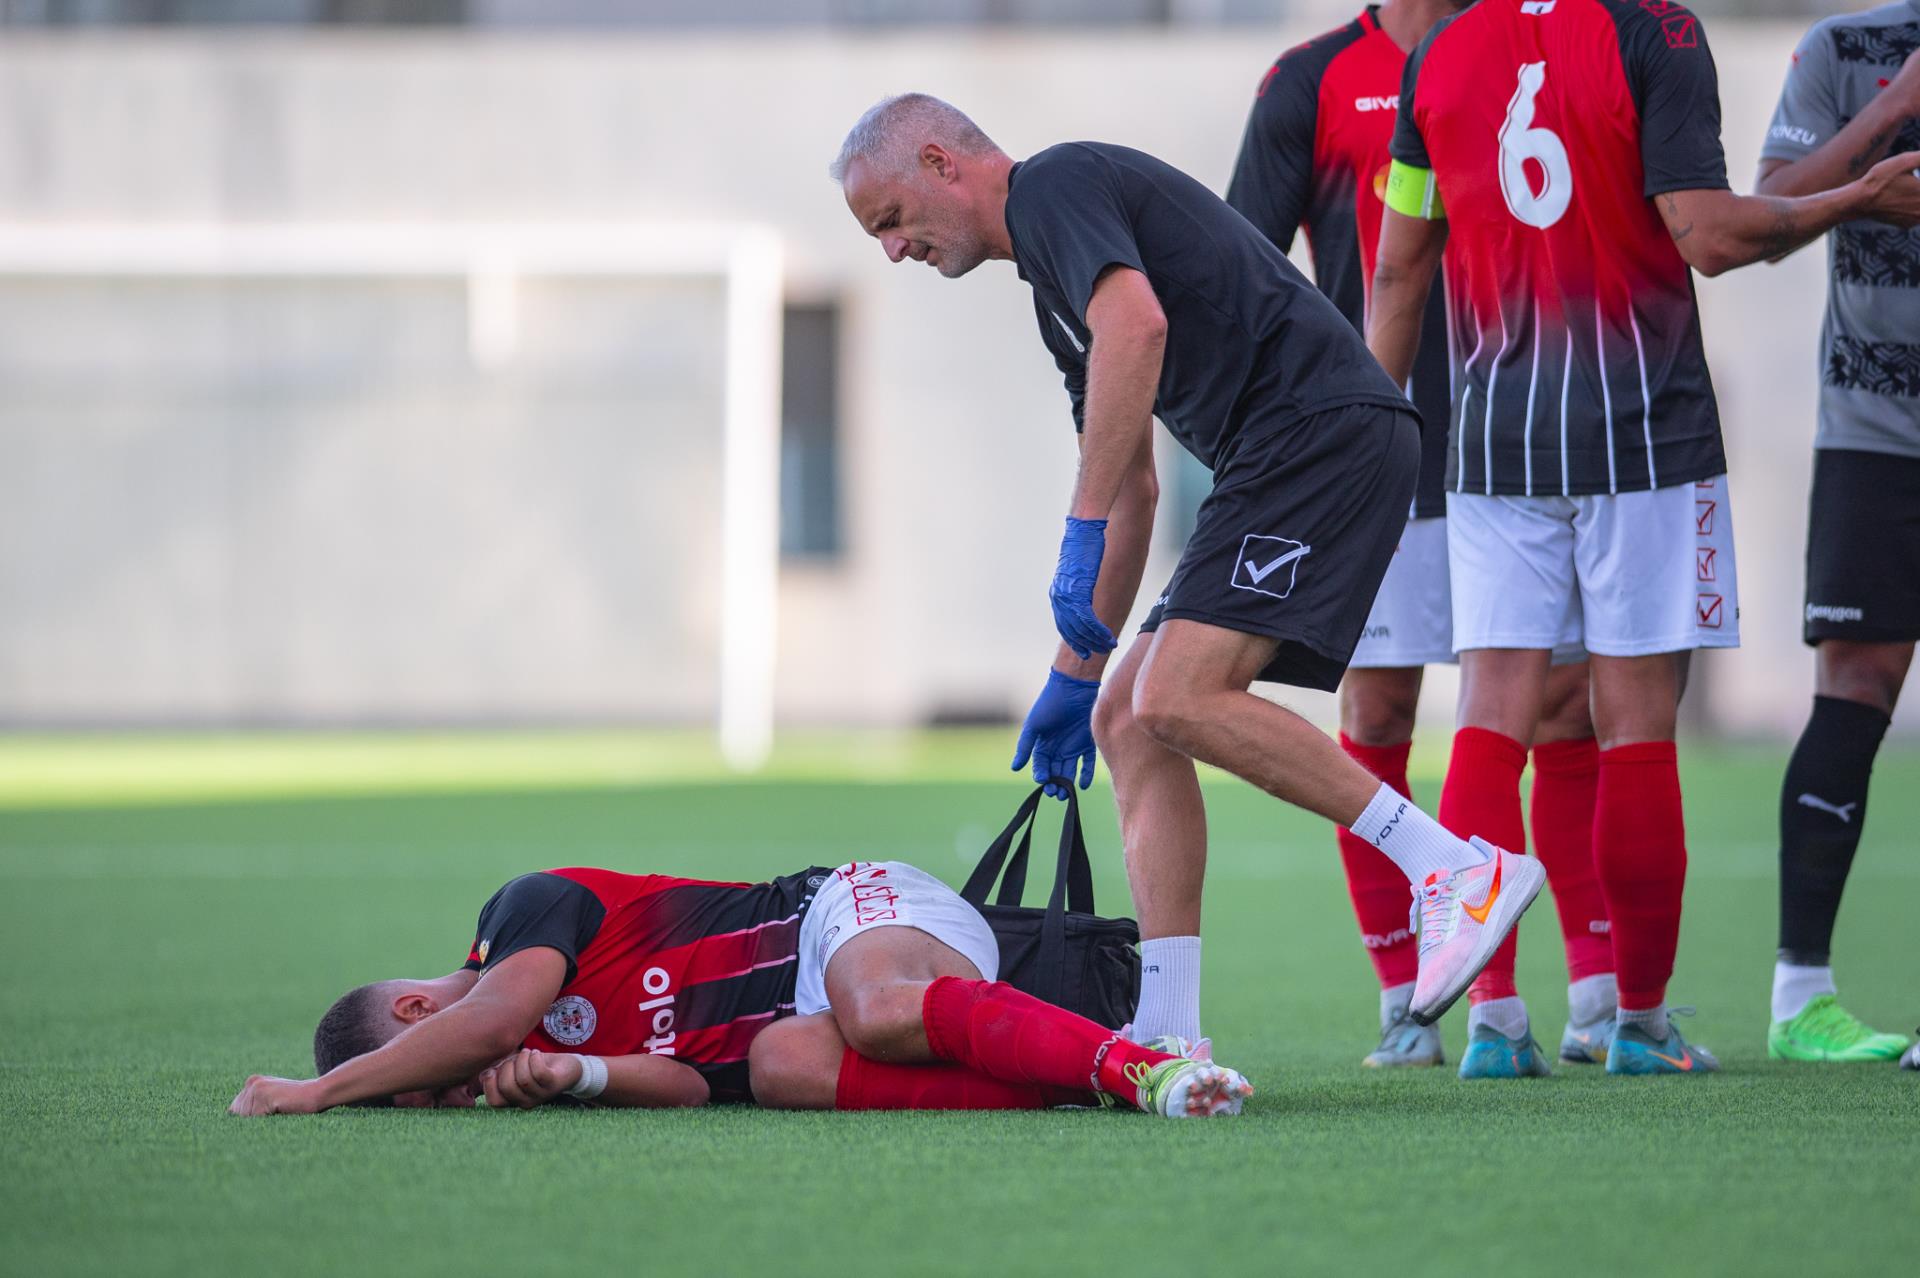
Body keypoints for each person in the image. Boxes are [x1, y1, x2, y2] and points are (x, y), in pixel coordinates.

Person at [830, 93, 1545, 1053]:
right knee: (1129, 713)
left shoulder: (1055, 185)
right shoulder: (1055, 295)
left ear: (938, 162)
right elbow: (1132, 493)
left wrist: (1073, 531)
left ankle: (1456, 871)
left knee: (1176, 693)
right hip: (1272, 460)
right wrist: (1071, 675)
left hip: (1319, 437)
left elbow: (1140, 328)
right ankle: (1170, 1035)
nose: (892, 250)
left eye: (890, 220)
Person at [1367, 0, 1920, 1074]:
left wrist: (1366, 435)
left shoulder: (1436, 52)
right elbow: (1709, 236)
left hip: (1492, 439)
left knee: (1489, 715)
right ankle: (1641, 1022)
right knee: (1635, 723)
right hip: (1643, 431)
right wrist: (1861, 196)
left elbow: (1398, 269)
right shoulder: (1654, 31)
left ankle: (1493, 1023)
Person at [1227, 0, 1616, 1075]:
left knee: (1559, 703)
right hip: (1385, 453)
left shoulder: (1523, 56)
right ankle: (1413, 996)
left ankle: (1595, 991)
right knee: (1383, 705)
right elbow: (1243, 266)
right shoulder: (1308, 81)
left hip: (1523, 433)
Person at [228, 860, 1252, 1117]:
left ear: (415, 1015)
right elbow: (686, 1086)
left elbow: (487, 1018)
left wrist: (314, 1093)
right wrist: (578, 1076)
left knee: (874, 1012)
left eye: (436, 1078)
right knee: (777, 1067)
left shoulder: (523, 912)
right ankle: (1081, 1083)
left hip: (845, 911)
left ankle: (1140, 1065)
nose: (468, 1088)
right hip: (801, 1013)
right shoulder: (524, 1059)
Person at [1755, 3, 1920, 1063]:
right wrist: (1892, 117)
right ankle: (1799, 998)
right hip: (1874, 430)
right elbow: (1767, 208)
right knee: (1853, 685)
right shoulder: (1843, 50)